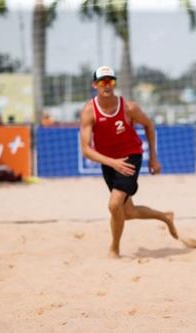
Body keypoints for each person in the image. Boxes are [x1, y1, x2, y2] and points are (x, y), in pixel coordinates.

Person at [79, 65, 178, 258]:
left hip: (130, 157)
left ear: (114, 83)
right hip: (109, 162)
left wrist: (154, 158)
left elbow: (149, 125)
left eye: (110, 81)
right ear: (95, 85)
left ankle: (114, 249)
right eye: (102, 81)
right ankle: (165, 216)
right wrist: (112, 162)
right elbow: (86, 150)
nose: (107, 85)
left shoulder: (129, 107)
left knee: (114, 205)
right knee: (129, 212)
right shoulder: (89, 111)